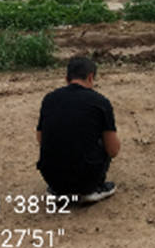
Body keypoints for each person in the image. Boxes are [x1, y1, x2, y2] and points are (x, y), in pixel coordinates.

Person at [36, 56, 120, 203]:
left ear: (66, 79)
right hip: (87, 178)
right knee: (103, 139)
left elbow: (40, 139)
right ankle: (92, 189)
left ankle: (58, 190)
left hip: (52, 178)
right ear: (90, 77)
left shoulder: (49, 99)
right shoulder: (100, 102)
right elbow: (113, 150)